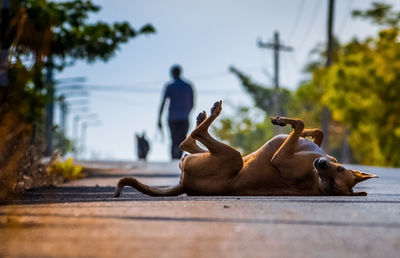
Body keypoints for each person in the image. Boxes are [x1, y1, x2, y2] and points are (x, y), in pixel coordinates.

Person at [158, 65, 194, 159]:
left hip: (173, 118)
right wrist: (187, 112)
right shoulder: (188, 85)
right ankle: (177, 159)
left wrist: (159, 119)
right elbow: (192, 103)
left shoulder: (170, 86)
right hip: (184, 117)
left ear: (173, 74)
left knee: (174, 139)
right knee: (181, 140)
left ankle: (174, 159)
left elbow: (163, 103)